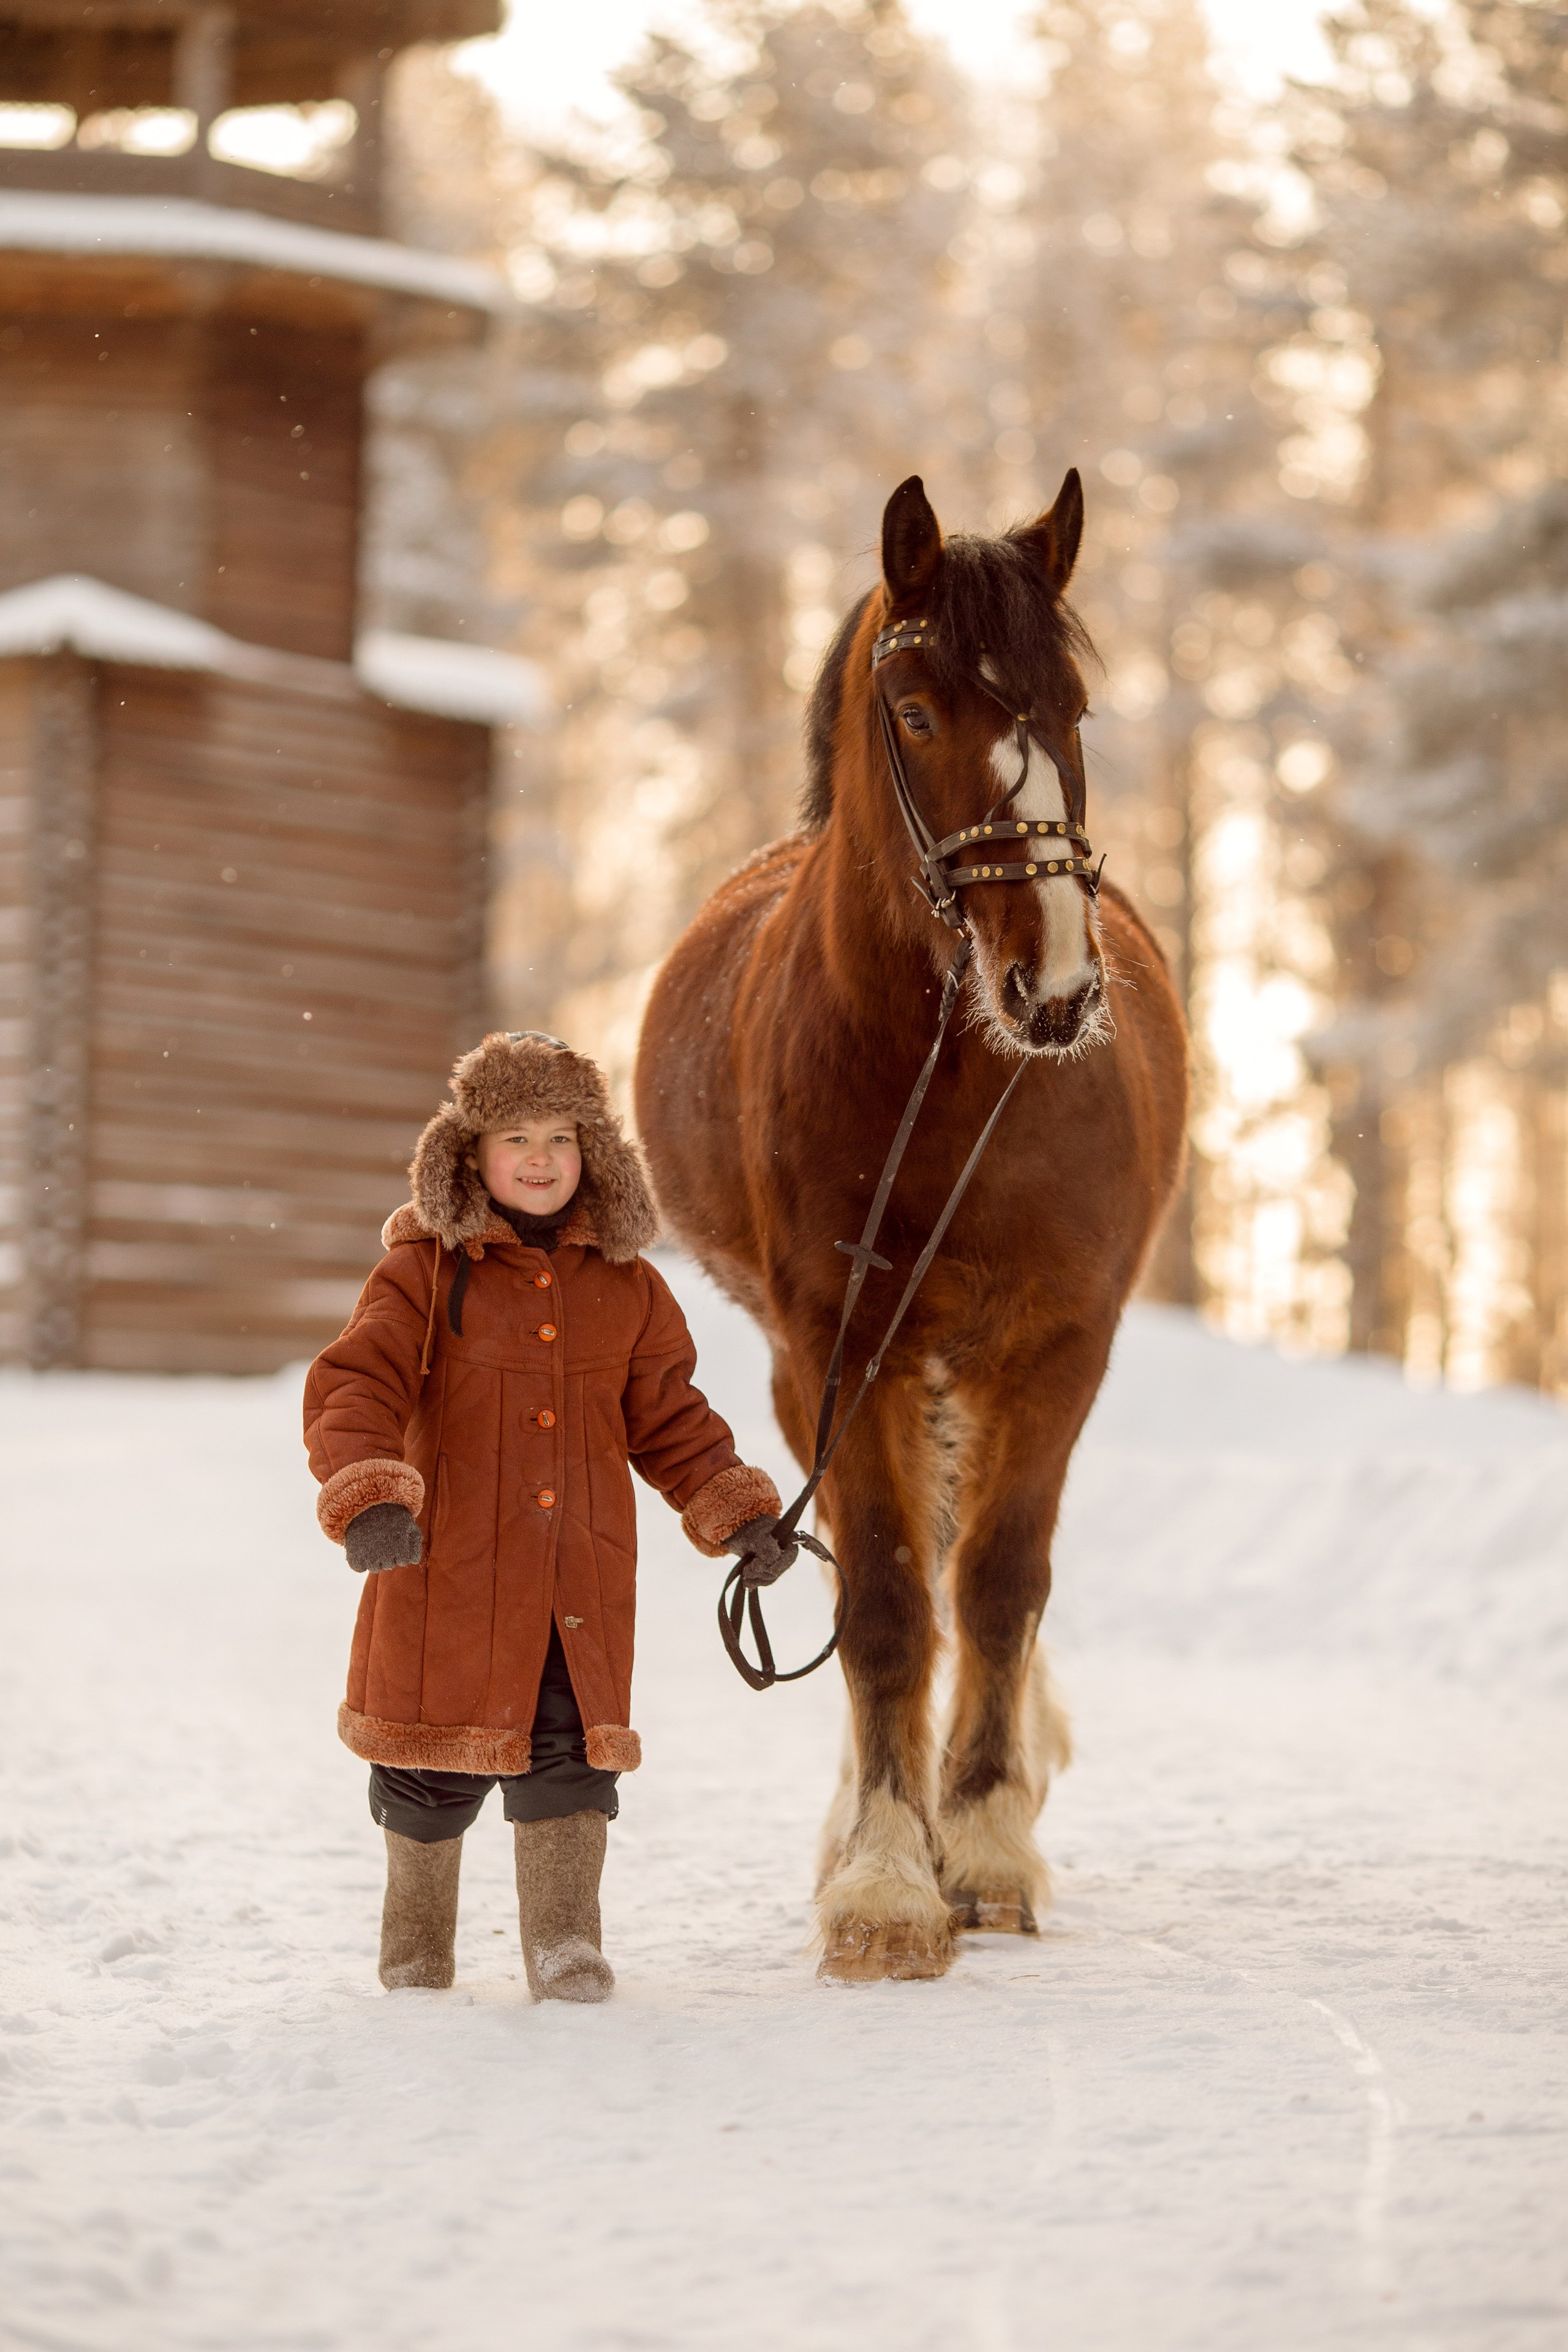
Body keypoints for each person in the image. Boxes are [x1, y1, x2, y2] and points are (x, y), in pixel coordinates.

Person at [303, 1031, 786, 2002]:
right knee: (426, 1770)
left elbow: (672, 1421)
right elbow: (357, 1383)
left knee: (569, 1763)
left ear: (593, 1155)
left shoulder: (630, 1289)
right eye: (515, 1136)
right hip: (444, 1574)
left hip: (577, 1583)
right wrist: (368, 1492)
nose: (539, 1158)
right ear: (468, 1153)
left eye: (561, 1138)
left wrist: (734, 1509)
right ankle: (415, 1946)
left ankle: (566, 1945)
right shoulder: (425, 1274)